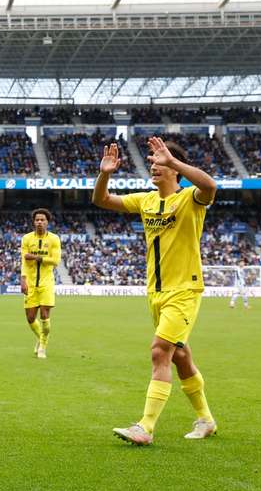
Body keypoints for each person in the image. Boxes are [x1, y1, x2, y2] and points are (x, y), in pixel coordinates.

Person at [92, 138, 218, 445]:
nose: (154, 166)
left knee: (159, 350)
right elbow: (102, 200)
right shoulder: (146, 201)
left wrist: (173, 160)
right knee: (180, 357)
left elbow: (211, 186)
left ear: (174, 169)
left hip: (184, 291)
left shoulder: (190, 198)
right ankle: (206, 419)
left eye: (159, 162)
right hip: (156, 294)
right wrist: (105, 172)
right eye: (152, 163)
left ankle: (145, 427)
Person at [20, 209, 61, 359]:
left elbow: (55, 260)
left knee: (44, 314)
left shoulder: (54, 239)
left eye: (42, 220)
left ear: (47, 222)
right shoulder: (26, 239)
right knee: (30, 318)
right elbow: (24, 260)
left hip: (46, 282)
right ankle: (42, 337)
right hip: (30, 282)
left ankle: (43, 346)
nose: (39, 222)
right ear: (33, 222)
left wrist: (37, 257)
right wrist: (23, 279)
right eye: (37, 220)